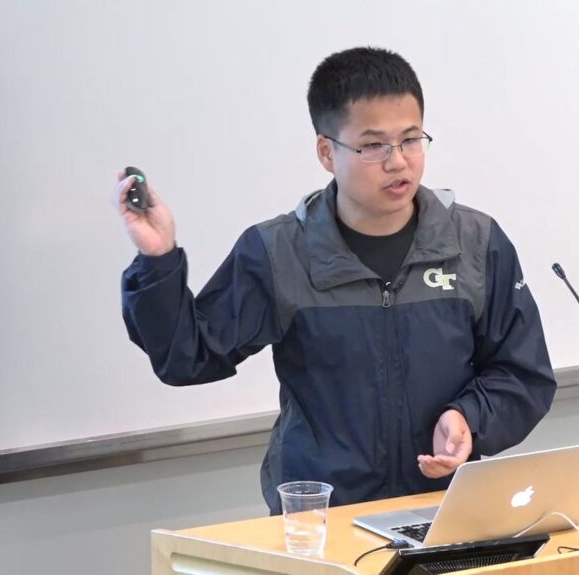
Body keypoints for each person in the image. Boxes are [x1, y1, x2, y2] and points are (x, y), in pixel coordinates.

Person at [116, 47, 556, 513]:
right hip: (321, 518)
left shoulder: (475, 242)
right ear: (327, 152)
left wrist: (468, 416)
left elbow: (522, 374)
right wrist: (158, 260)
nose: (398, 162)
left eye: (411, 140)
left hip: (443, 510)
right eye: (373, 146)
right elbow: (189, 357)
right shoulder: (279, 252)